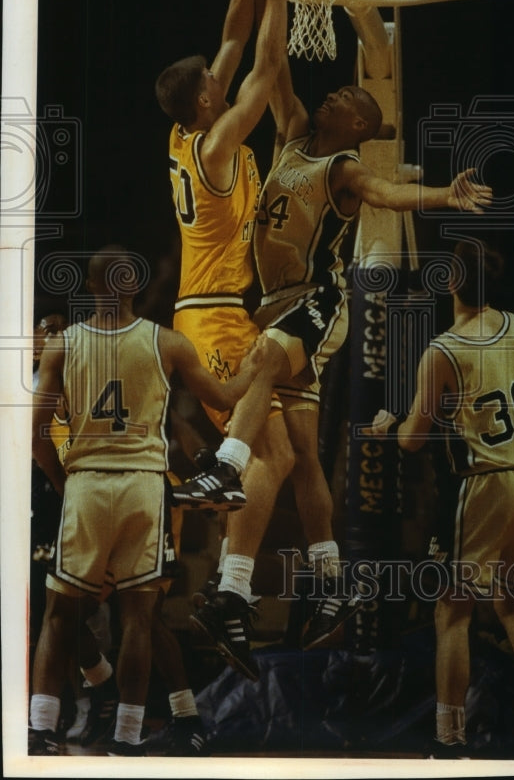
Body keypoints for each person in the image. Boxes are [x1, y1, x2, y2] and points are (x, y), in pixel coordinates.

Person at [179, 32, 494, 660]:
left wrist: (440, 195)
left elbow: (384, 193)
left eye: (346, 95)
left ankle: (228, 467)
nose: (333, 94)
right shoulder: (294, 135)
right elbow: (276, 73)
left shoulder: (343, 168)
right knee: (299, 454)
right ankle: (325, 582)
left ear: (357, 122)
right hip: (275, 303)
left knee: (263, 360)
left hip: (317, 301)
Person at [28, 245, 265, 756]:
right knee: (138, 617)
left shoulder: (62, 347)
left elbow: (36, 437)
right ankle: (126, 730)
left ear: (89, 288)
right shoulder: (168, 343)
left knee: (58, 613)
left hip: (86, 485)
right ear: (135, 287)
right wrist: (258, 369)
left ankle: (46, 724)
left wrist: (64, 483)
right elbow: (224, 399)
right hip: (142, 488)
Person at [155, 0, 295, 682]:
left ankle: (229, 595)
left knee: (277, 455)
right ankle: (219, 466)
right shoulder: (212, 148)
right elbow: (267, 63)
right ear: (206, 102)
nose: (221, 76)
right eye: (214, 80)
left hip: (218, 308)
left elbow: (234, 42)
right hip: (208, 314)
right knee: (277, 354)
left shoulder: (185, 135)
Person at [371, 239, 514, 755]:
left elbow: (414, 439)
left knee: (451, 612)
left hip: (487, 484)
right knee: (513, 606)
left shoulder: (444, 348)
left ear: (448, 283)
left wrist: (388, 426)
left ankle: (448, 739)